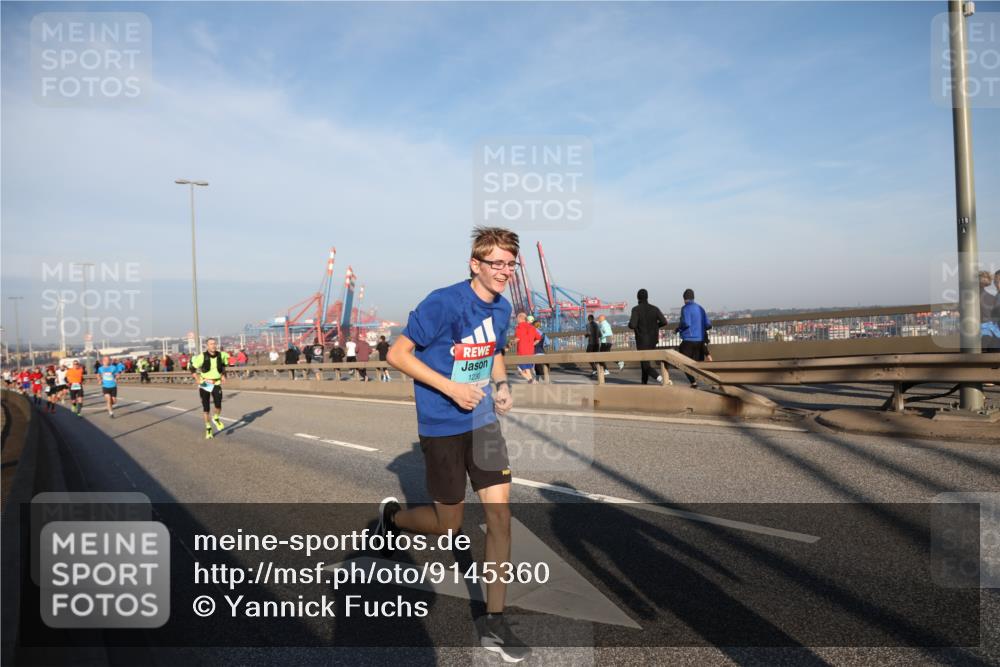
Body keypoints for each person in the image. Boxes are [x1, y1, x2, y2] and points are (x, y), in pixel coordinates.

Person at [381, 226, 528, 663]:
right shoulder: (443, 302)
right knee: (449, 527)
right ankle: (393, 521)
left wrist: (500, 386)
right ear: (475, 264)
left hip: (481, 423)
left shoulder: (502, 308)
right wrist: (449, 388)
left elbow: (495, 351)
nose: (504, 272)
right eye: (496, 263)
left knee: (500, 517)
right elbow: (398, 354)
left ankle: (495, 622)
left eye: (510, 264)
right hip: (442, 425)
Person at [190, 338, 229, 440]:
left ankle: (216, 418)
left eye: (214, 344)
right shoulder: (202, 356)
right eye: (211, 344)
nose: (213, 345)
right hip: (205, 383)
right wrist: (197, 379)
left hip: (216, 382)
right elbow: (192, 368)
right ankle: (208, 428)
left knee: (218, 404)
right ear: (207, 346)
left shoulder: (221, 355)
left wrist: (223, 375)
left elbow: (224, 365)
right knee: (206, 408)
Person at [628, 289, 668, 385]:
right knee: (644, 364)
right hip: (653, 341)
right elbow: (664, 322)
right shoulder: (655, 308)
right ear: (647, 297)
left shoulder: (636, 309)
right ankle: (644, 383)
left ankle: (661, 379)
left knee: (645, 365)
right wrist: (655, 326)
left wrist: (630, 324)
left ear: (638, 297)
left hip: (642, 341)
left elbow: (632, 325)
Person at [676, 288, 712, 388]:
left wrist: (678, 328)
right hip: (700, 341)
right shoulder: (700, 308)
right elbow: (708, 325)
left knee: (682, 362)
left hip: (688, 340)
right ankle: (711, 380)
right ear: (693, 297)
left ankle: (694, 383)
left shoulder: (685, 308)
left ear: (684, 298)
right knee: (698, 365)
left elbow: (686, 323)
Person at [514, 311, 541, 383]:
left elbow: (517, 339)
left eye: (517, 319)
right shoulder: (532, 327)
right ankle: (533, 381)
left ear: (520, 319)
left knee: (520, 369)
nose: (516, 320)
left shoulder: (519, 327)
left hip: (521, 352)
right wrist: (533, 344)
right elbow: (539, 338)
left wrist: (510, 343)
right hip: (530, 351)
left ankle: (531, 380)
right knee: (528, 368)